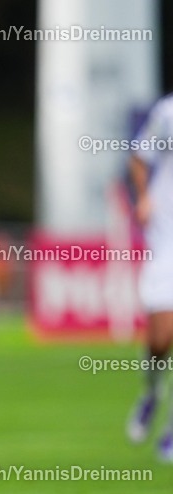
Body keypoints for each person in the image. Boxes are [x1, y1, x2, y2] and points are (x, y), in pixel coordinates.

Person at [127, 91, 173, 460]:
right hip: (166, 238)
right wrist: (143, 198)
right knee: (161, 339)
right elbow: (140, 157)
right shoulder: (168, 111)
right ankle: (152, 391)